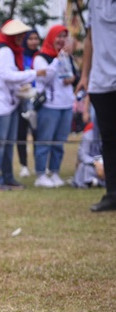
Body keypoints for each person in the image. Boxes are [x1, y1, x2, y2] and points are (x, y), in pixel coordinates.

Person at [0, 19, 48, 191]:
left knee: (8, 142)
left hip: (8, 102)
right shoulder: (4, 49)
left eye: (21, 34)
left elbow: (8, 77)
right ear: (9, 35)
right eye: (16, 34)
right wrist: (34, 73)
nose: (20, 37)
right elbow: (7, 75)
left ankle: (8, 177)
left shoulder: (9, 50)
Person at [75, 0, 116, 211]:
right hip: (101, 80)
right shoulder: (93, 2)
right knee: (108, 140)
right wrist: (85, 75)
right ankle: (112, 193)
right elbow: (89, 38)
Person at [32, 25, 75, 189]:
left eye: (64, 36)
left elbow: (71, 76)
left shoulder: (67, 57)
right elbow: (45, 78)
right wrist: (58, 59)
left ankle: (55, 172)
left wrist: (71, 78)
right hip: (49, 105)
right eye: (58, 36)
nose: (61, 40)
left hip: (66, 104)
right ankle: (41, 174)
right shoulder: (41, 58)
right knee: (45, 140)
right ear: (51, 38)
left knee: (59, 142)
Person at [17, 29, 40, 178]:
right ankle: (24, 165)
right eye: (30, 39)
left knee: (38, 133)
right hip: (21, 99)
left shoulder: (40, 56)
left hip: (38, 99)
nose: (33, 42)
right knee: (21, 134)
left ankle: (40, 165)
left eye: (36, 38)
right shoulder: (20, 56)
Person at [72, 121, 104, 188]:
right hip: (92, 164)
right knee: (84, 167)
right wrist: (96, 162)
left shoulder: (111, 136)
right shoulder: (88, 135)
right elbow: (82, 155)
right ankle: (91, 182)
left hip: (107, 165)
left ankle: (95, 182)